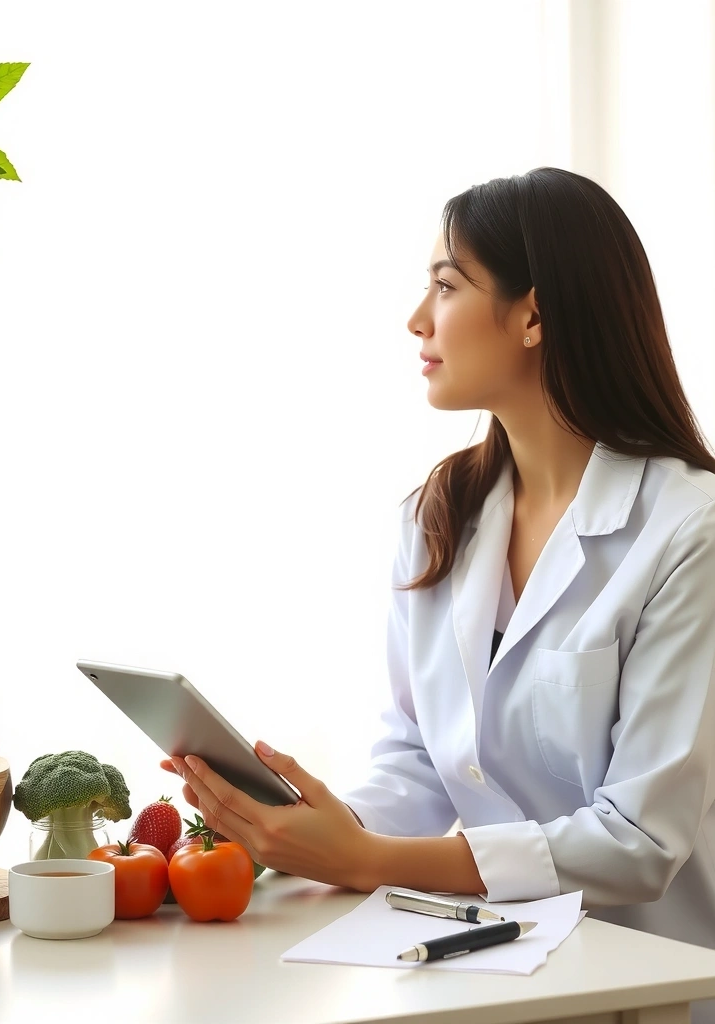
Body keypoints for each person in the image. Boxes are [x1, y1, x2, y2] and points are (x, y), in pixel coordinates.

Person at [161, 166, 715, 1015]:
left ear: (534, 315)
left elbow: (636, 843)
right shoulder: (440, 515)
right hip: (493, 965)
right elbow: (422, 760)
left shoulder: (689, 531)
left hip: (652, 982)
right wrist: (301, 826)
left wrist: (365, 860)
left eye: (447, 285)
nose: (417, 319)